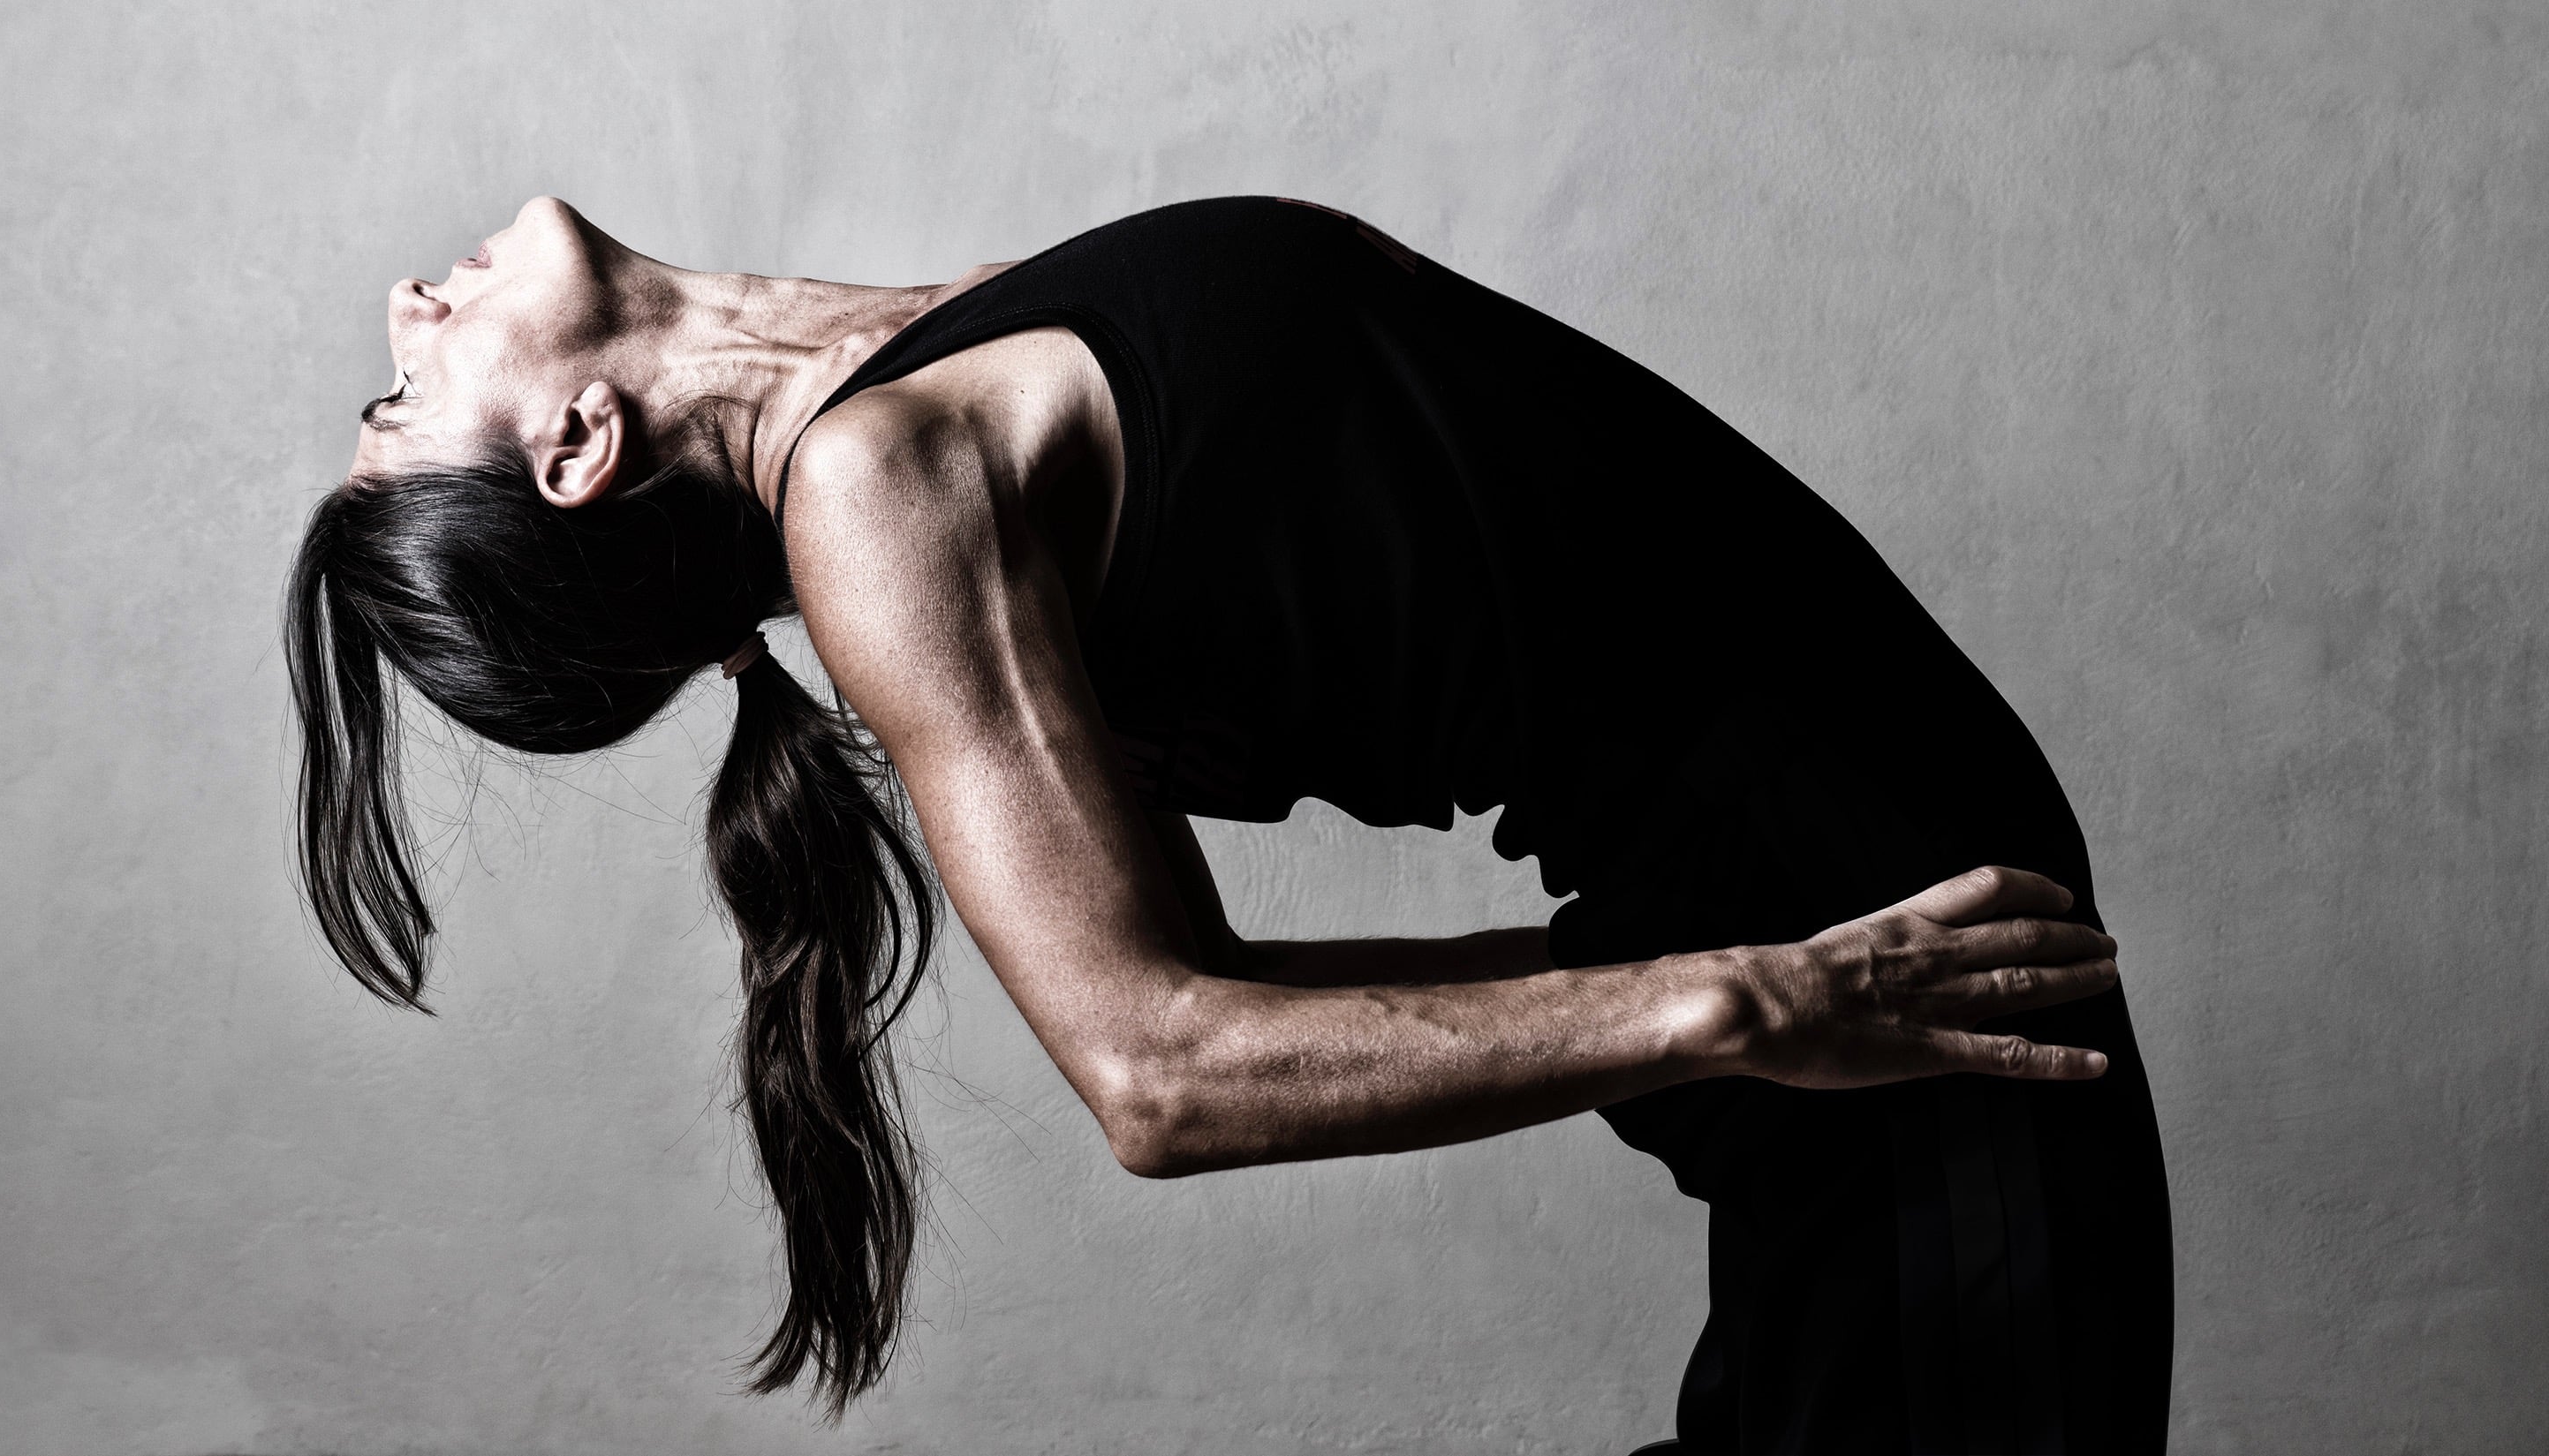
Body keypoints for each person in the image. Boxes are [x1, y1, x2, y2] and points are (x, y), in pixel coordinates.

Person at [286, 195, 2170, 1453]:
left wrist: (1669, 968)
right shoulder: (873, 496)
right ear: (575, 450)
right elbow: (1160, 1065)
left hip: (1841, 909)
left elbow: (1203, 977)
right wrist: (1735, 1005)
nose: (406, 310)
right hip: (1876, 962)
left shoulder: (907, 380)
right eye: (401, 393)